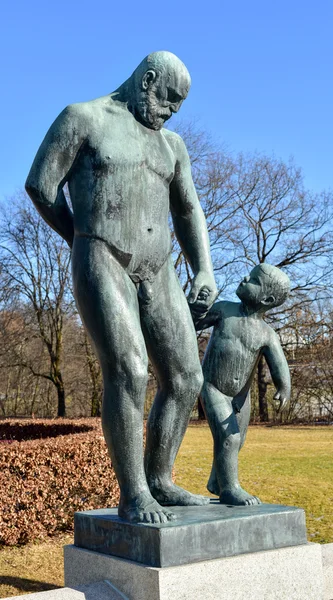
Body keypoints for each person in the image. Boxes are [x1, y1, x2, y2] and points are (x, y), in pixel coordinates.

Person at [25, 51, 217, 524]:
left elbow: (188, 210)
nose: (171, 112)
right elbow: (40, 185)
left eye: (178, 107)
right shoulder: (83, 118)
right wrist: (79, 238)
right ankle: (133, 494)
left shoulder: (171, 145)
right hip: (102, 257)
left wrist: (205, 270)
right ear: (147, 80)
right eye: (169, 100)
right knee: (130, 371)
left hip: (159, 267)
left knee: (186, 376)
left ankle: (160, 481)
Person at [193, 264, 291, 505]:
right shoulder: (225, 310)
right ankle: (230, 488)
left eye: (254, 280)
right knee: (230, 437)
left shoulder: (267, 333)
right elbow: (195, 324)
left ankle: (217, 481)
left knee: (238, 440)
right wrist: (197, 308)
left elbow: (278, 362)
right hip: (213, 386)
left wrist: (284, 387)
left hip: (241, 396)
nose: (245, 277)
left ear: (267, 298)